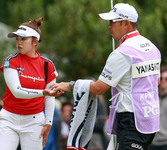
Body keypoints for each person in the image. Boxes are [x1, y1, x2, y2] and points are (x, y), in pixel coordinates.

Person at [48, 3, 161, 150]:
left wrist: (69, 85)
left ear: (125, 23)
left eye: (112, 22)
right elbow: (156, 81)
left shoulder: (122, 53)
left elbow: (98, 88)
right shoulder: (152, 47)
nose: (109, 26)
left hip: (130, 121)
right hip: (150, 120)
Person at [0, 17, 58, 150]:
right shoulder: (10, 61)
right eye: (17, 38)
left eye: (23, 39)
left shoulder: (48, 65)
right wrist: (42, 92)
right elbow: (17, 92)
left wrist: (49, 122)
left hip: (34, 121)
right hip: (8, 119)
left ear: (35, 42)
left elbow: (50, 96)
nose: (19, 42)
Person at [149, 65, 167, 150]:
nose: (163, 81)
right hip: (151, 142)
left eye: (166, 79)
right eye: (161, 78)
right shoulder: (150, 97)